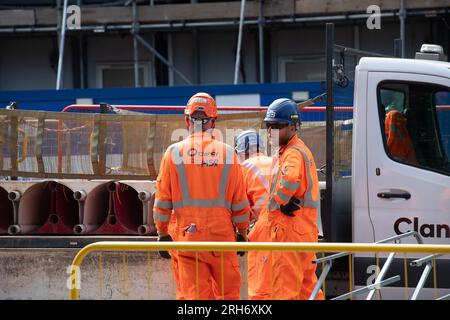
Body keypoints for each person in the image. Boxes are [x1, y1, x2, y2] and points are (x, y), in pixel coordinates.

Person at [153, 92, 250, 300]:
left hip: (189, 240)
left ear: (187, 120)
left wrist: (162, 234)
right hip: (222, 239)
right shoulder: (228, 154)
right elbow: (240, 202)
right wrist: (242, 233)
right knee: (229, 298)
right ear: (213, 121)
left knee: (195, 300)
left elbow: (162, 202)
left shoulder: (173, 153)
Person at [248, 98, 324, 300]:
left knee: (285, 290)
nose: (271, 131)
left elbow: (289, 179)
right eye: (269, 126)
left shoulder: (293, 153)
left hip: (288, 232)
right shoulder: (295, 151)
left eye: (277, 126)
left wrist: (281, 202)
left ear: (293, 127)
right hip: (302, 232)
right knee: (308, 290)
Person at [234, 130, 272, 221]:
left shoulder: (244, 168)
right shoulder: (276, 162)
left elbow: (242, 207)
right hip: (288, 221)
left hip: (265, 223)